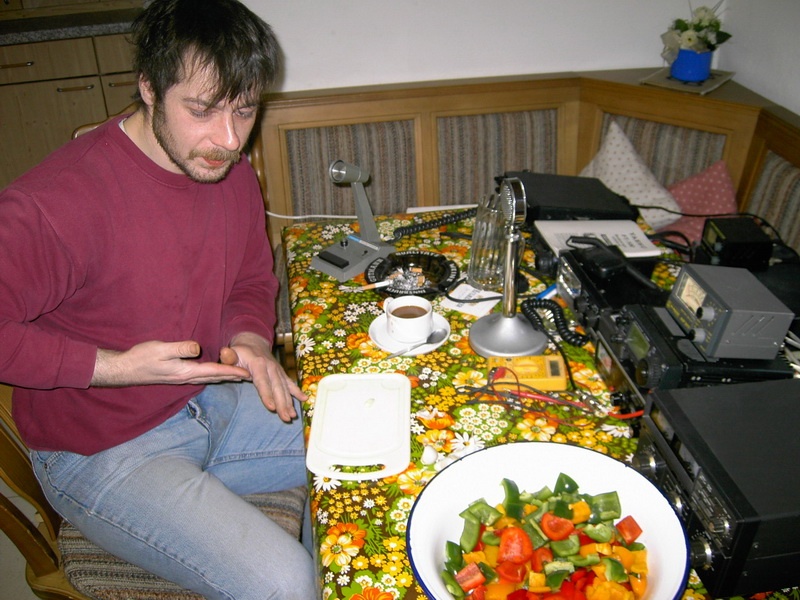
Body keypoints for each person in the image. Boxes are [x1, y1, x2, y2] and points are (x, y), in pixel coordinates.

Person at [0, 0, 317, 598]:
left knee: (372, 447)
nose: (228, 139)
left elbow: (251, 276)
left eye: (244, 110)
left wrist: (250, 340)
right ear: (148, 87)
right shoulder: (54, 204)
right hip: (99, 450)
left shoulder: (229, 170)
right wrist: (114, 368)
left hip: (207, 400)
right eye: (201, 110)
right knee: (286, 584)